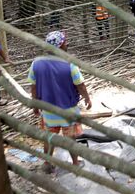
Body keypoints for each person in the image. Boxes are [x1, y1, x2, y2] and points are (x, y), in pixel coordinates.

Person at [27, 31, 92, 173]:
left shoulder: (36, 63)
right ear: (61, 45)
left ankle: (47, 163)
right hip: (68, 109)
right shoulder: (70, 64)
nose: (67, 43)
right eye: (65, 42)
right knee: (70, 139)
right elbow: (80, 85)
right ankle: (75, 163)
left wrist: (35, 104)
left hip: (48, 110)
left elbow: (33, 86)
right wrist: (87, 98)